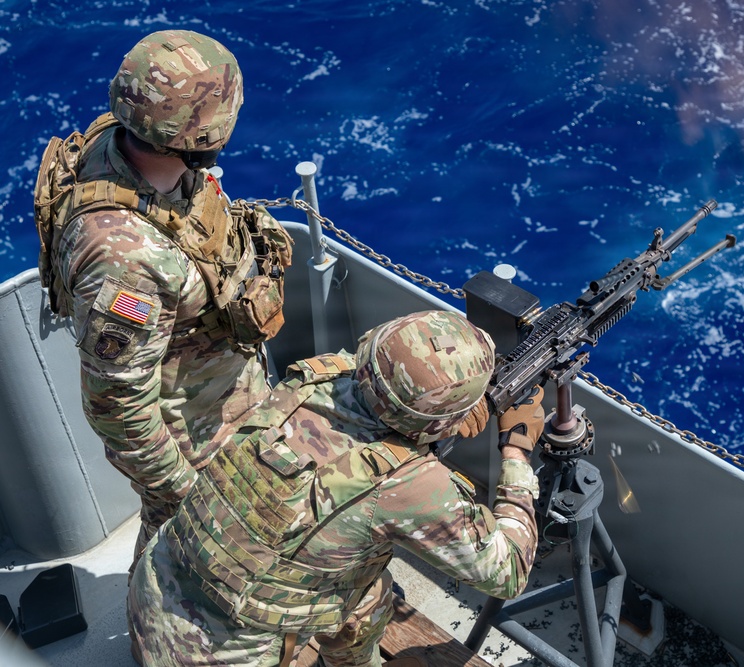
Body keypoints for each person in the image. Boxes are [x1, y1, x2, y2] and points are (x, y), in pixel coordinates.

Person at [128, 309, 545, 667]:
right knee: (368, 589)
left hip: (151, 597)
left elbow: (383, 389)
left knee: (371, 592)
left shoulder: (313, 380)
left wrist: (446, 416)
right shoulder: (407, 484)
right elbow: (507, 573)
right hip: (222, 658)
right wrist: (517, 450)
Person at [32, 29, 292, 563]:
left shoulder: (121, 139)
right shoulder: (127, 260)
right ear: (203, 133)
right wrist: (184, 495)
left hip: (222, 402)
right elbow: (117, 408)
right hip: (191, 442)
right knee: (179, 562)